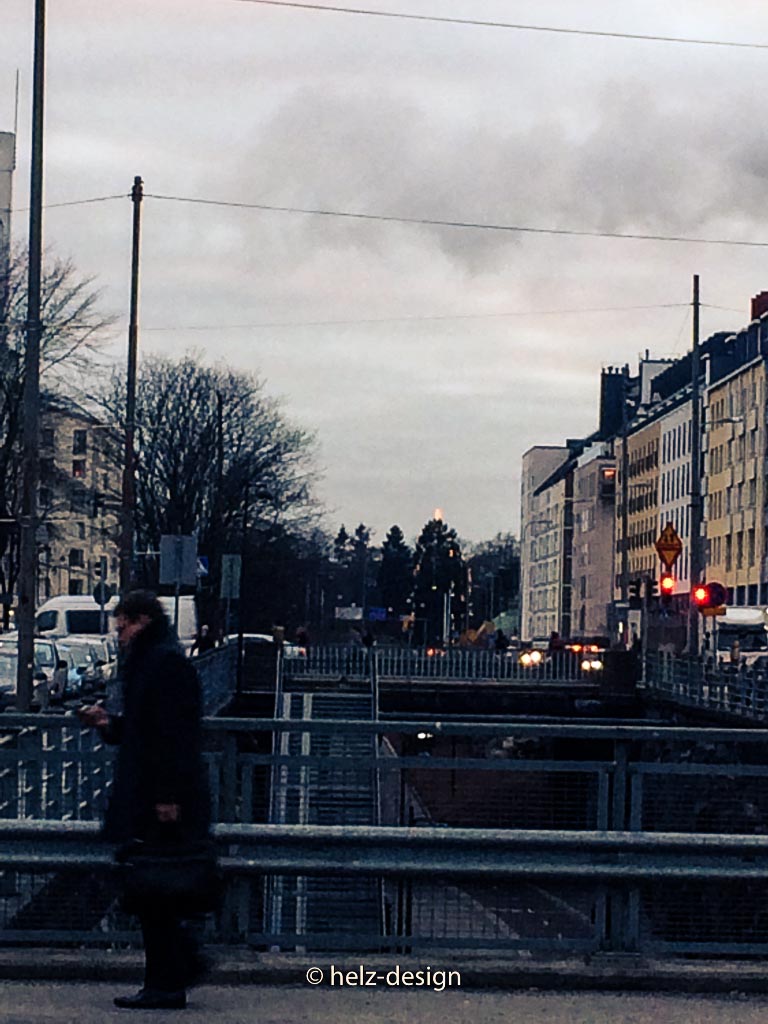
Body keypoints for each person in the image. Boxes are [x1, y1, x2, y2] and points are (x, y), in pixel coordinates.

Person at [79, 590, 211, 1011]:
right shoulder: (159, 662)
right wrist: (107, 723)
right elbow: (148, 730)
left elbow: (171, 737)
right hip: (156, 793)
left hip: (159, 797)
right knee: (156, 890)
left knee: (154, 889)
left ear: (141, 621)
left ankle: (168, 979)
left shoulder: (162, 665)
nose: (119, 636)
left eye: (123, 627)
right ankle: (174, 970)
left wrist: (167, 796)